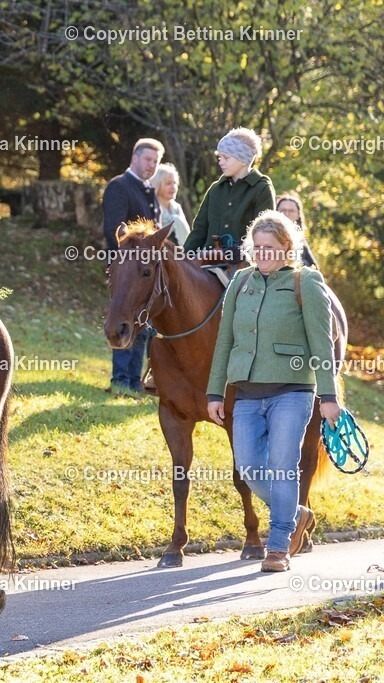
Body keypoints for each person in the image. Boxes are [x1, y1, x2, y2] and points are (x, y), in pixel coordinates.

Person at [207, 210, 341, 573]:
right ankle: (296, 513)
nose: (262, 253)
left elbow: (321, 343)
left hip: (292, 392)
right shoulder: (240, 283)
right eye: (257, 247)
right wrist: (214, 392)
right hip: (247, 392)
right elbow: (225, 340)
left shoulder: (306, 282)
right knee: (249, 468)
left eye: (270, 247)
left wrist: (328, 397)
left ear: (286, 247)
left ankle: (278, 546)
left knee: (283, 468)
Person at [102, 137, 163, 393]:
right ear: (134, 158)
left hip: (144, 271)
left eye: (156, 161)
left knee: (142, 323)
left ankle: (133, 381)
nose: (151, 165)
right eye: (147, 159)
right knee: (123, 314)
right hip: (126, 269)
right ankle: (120, 380)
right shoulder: (120, 185)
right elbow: (113, 229)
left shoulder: (149, 190)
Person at [183, 128, 275, 261]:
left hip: (243, 265)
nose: (220, 162)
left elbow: (265, 231)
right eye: (220, 157)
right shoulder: (215, 189)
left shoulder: (261, 188)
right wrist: (182, 259)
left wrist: (243, 253)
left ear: (243, 159)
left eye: (226, 158)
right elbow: (199, 230)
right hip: (207, 262)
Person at [150, 163, 191, 246]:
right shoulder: (151, 208)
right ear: (157, 185)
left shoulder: (177, 208)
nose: (173, 187)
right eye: (168, 183)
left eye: (174, 183)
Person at [276, 193, 320, 268]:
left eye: (291, 211)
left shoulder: (299, 237)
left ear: (298, 215)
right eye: (283, 210)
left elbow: (314, 266)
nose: (286, 214)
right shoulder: (268, 235)